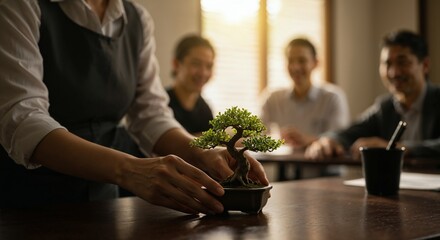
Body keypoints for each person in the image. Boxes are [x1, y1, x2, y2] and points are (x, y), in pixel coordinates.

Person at [0, 0, 268, 214]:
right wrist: (129, 170)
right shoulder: (21, 5)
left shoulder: (136, 19)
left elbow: (150, 115)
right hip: (30, 199)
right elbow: (23, 119)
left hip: (106, 199)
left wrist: (202, 153)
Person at [305, 30, 440, 162]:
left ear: (425, 65)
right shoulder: (385, 107)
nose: (394, 73)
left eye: (402, 63)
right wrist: (328, 140)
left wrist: (402, 148)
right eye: (387, 64)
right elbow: (350, 132)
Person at [261, 38, 350, 149]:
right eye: (290, 61)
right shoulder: (272, 98)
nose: (296, 67)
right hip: (284, 165)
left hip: (322, 165)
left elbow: (340, 139)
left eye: (302, 61)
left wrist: (307, 140)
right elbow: (256, 137)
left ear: (315, 63)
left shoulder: (333, 98)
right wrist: (277, 139)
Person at [166, 35, 215, 136]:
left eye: (209, 66)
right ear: (176, 64)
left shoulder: (205, 110)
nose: (203, 73)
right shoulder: (159, 105)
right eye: (196, 64)